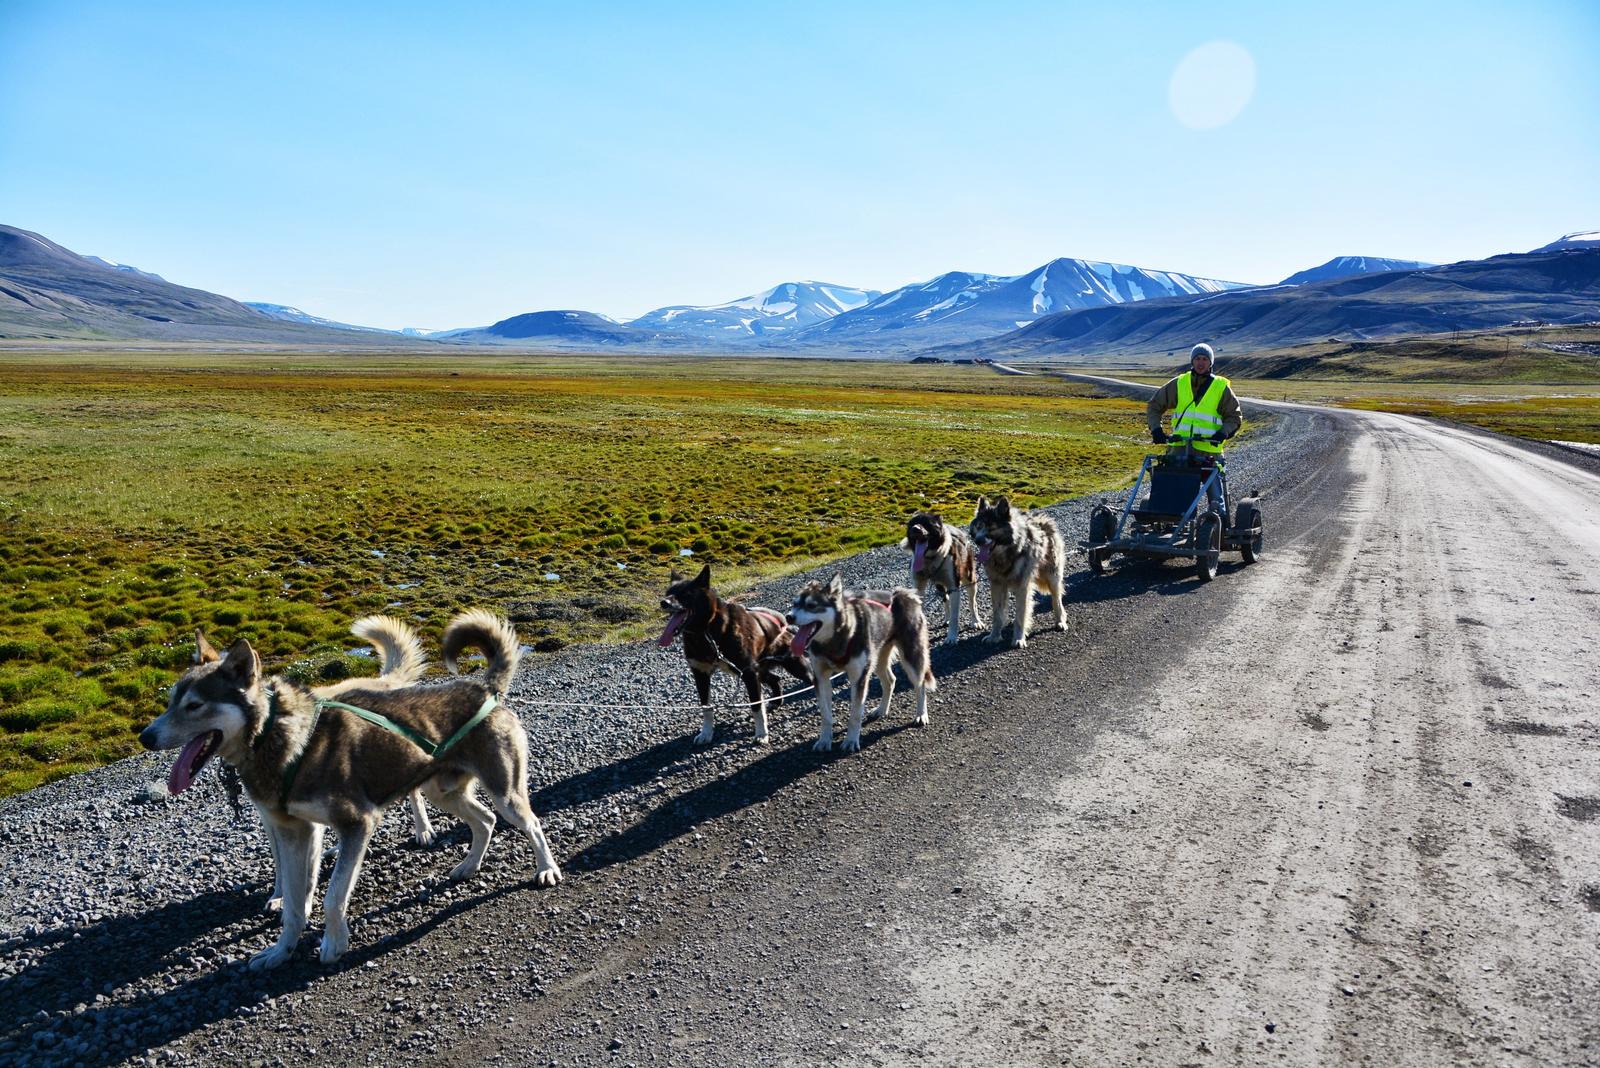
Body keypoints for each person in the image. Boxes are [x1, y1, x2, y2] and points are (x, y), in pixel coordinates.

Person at [1146, 342, 1242, 516]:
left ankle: (1217, 528)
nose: (1200, 362)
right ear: (1192, 361)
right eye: (1197, 358)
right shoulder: (1179, 383)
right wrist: (1156, 429)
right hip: (1179, 449)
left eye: (1205, 359)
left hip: (1208, 452)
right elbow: (1154, 405)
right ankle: (1170, 525)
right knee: (1170, 492)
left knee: (1215, 498)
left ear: (1210, 362)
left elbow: (1234, 417)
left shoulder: (1221, 387)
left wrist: (1223, 432)